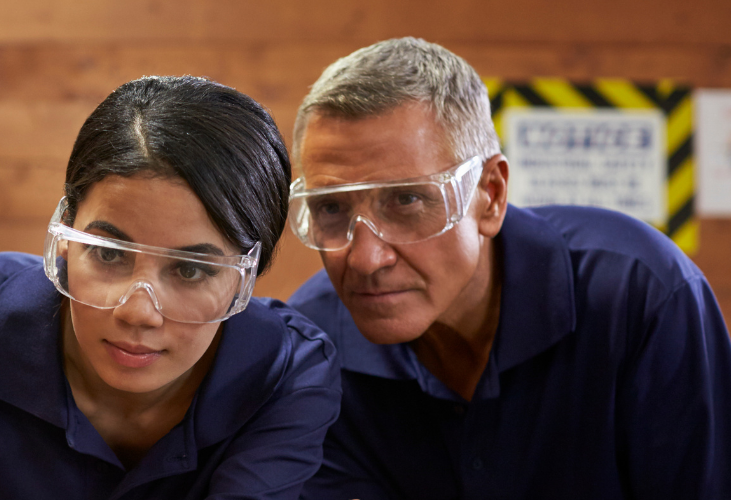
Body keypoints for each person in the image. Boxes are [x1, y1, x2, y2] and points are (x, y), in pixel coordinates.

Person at [287, 38, 731, 499]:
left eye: (407, 200)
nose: (364, 259)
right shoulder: (312, 349)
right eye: (331, 208)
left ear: (491, 195)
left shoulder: (640, 295)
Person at [0, 76, 341, 500]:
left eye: (190, 270)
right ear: (66, 234)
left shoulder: (288, 374)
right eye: (110, 255)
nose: (138, 312)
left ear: (246, 276)